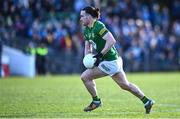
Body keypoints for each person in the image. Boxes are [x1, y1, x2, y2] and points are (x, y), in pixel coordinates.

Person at [80, 6, 155, 114]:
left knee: (85, 77)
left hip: (111, 62)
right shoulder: (87, 30)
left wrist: (100, 55)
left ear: (88, 17)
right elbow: (87, 47)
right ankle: (147, 101)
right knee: (125, 85)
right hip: (113, 61)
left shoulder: (98, 26)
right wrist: (87, 59)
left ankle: (96, 101)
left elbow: (111, 41)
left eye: (82, 16)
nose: (80, 18)